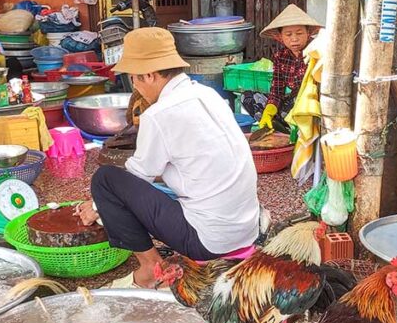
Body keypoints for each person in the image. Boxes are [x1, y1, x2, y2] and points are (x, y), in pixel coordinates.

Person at [75, 28, 261, 289]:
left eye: (134, 80)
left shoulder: (160, 114)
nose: (135, 87)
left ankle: (151, 268)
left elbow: (136, 176)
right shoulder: (209, 95)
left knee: (106, 180)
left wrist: (95, 206)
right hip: (247, 231)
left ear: (149, 75)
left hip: (209, 242)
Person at [242, 4, 322, 132]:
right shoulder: (280, 56)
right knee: (248, 97)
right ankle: (279, 126)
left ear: (308, 33)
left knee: (295, 103)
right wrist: (270, 108)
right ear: (280, 37)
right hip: (290, 104)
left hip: (312, 105)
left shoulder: (316, 51)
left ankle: (289, 127)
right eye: (288, 35)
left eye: (299, 33)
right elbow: (277, 90)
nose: (294, 39)